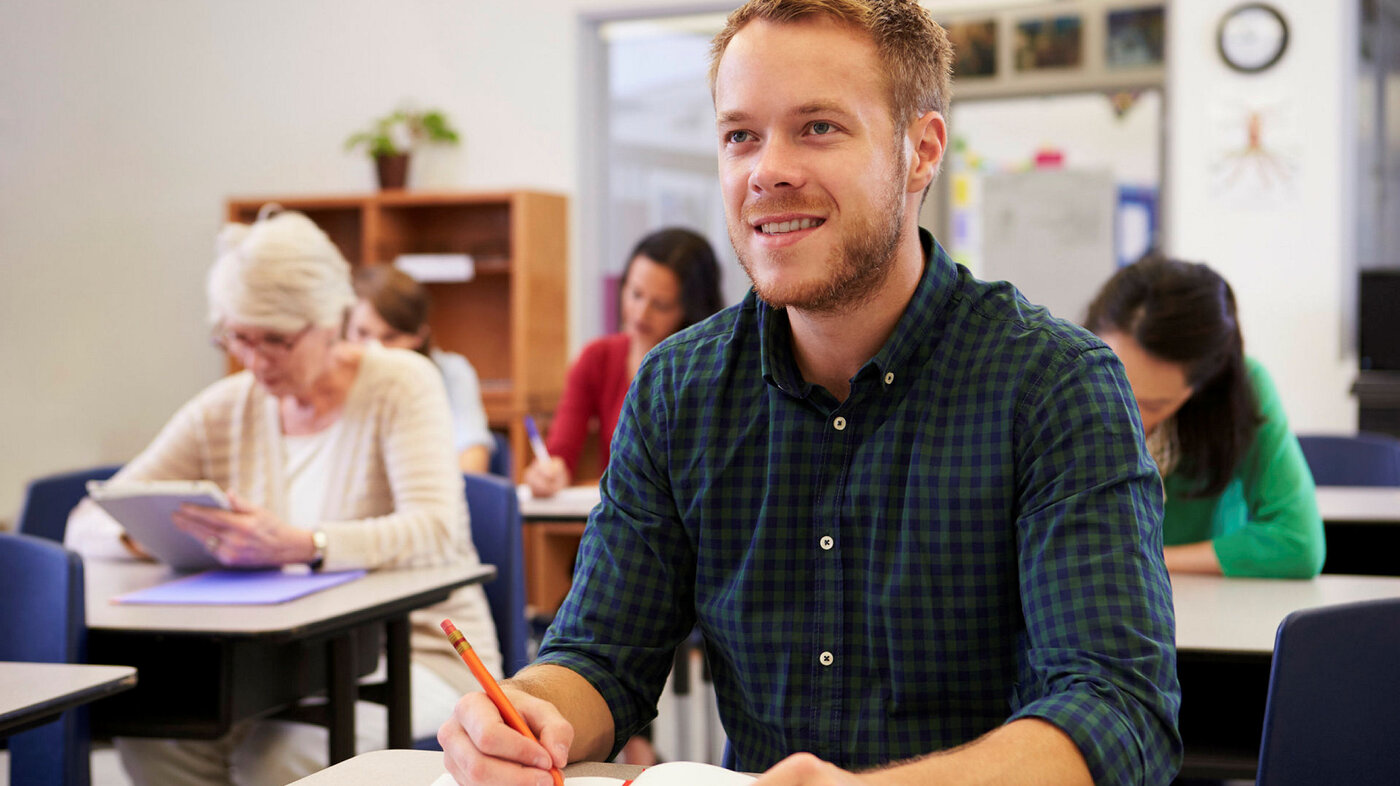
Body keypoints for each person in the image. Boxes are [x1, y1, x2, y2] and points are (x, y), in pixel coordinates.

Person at [441, 1, 1180, 784]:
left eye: (819, 127)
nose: (767, 170)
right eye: (740, 136)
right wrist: (526, 713)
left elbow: (1116, 711)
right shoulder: (676, 389)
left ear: (921, 150)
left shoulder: (1055, 384)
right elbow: (599, 655)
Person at [66, 208, 502, 786]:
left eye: (277, 339)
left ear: (332, 322)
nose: (257, 359)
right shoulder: (226, 407)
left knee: (278, 763)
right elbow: (87, 520)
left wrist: (306, 544)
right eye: (239, 338)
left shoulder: (401, 383)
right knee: (162, 741)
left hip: (413, 654)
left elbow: (435, 528)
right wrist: (155, 532)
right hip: (268, 667)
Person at [1086, 255, 1325, 579]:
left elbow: (1299, 544)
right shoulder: (1062, 385)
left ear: (1203, 386)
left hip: (1207, 610)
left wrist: (1143, 559)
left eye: (1154, 405)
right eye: (1113, 393)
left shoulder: (1241, 391)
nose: (1130, 419)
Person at [523, 227, 723, 497]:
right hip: (621, 522)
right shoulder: (598, 358)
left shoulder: (713, 367)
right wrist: (549, 472)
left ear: (691, 309)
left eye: (661, 304)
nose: (641, 313)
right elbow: (561, 451)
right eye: (636, 294)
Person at [347, 264, 496, 474]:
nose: (374, 350)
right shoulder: (332, 379)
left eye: (390, 338)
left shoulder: (450, 373)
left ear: (418, 337)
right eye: (362, 333)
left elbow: (471, 463)